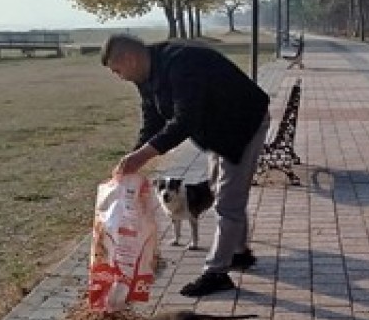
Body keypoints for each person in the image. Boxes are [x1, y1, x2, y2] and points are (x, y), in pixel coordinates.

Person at [101, 34, 270, 298]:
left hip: (243, 123)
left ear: (129, 58)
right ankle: (239, 252)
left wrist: (143, 156)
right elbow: (153, 119)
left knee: (228, 200)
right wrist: (132, 157)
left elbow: (184, 121)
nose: (118, 76)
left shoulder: (182, 62)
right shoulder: (146, 75)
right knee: (219, 189)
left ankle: (217, 272)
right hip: (216, 129)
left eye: (116, 70)